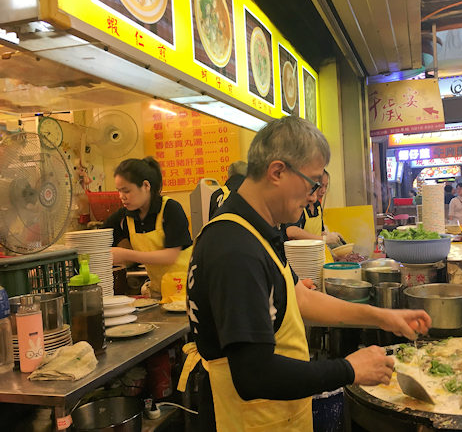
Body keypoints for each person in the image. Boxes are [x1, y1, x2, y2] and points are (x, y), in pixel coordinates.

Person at [184, 116, 431, 431]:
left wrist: (382, 316)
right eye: (313, 182)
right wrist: (349, 369)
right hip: (247, 421)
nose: (315, 195)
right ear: (277, 171)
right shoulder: (235, 249)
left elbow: (299, 298)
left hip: (276, 416)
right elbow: (254, 375)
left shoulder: (257, 230)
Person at [104, 157, 192, 301]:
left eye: (126, 190)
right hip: (158, 293)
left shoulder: (170, 209)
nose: (121, 196)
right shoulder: (126, 216)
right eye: (119, 191)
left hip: (185, 291)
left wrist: (126, 254)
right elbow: (101, 234)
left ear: (146, 186)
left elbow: (171, 256)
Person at [285, 168, 343, 245]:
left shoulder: (317, 206)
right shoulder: (300, 204)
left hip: (315, 253)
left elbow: (319, 232)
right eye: (320, 186)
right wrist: (324, 239)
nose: (323, 191)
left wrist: (331, 236)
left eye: (326, 186)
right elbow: (291, 231)